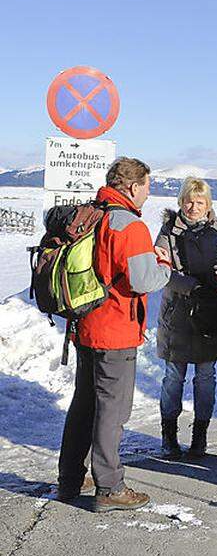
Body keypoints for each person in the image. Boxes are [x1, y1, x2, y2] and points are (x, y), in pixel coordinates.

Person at [57, 157, 172, 511]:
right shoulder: (130, 226)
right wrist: (164, 263)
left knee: (85, 403)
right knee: (113, 410)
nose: (149, 195)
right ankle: (109, 487)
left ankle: (71, 478)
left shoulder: (91, 214)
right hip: (116, 330)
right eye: (148, 187)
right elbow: (142, 280)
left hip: (85, 325)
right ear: (134, 187)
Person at [155, 177, 217, 459]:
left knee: (206, 376)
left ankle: (200, 436)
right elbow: (160, 271)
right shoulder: (169, 231)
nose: (193, 206)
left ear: (208, 204)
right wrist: (190, 286)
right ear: (180, 201)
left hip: (211, 313)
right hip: (178, 314)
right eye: (188, 200)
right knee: (174, 376)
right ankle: (169, 435)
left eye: (199, 202)